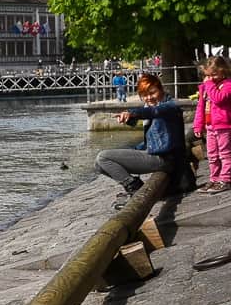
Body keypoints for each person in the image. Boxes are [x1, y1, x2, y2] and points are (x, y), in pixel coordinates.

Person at [95, 72, 187, 208]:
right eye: (144, 95)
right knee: (99, 165)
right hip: (158, 156)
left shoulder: (170, 107)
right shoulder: (151, 108)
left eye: (152, 92)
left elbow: (155, 111)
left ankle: (136, 190)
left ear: (161, 89)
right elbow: (152, 140)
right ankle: (135, 188)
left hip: (165, 159)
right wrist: (133, 150)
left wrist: (132, 113)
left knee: (103, 157)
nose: (149, 98)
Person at [193, 55, 231, 194]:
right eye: (208, 75)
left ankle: (225, 179)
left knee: (225, 154)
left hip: (224, 126)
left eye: (214, 74)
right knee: (212, 154)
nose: (211, 78)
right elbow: (201, 106)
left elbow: (219, 99)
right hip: (210, 127)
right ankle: (214, 178)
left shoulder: (227, 85)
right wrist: (198, 125)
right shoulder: (207, 87)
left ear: (223, 70)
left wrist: (208, 85)